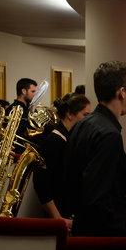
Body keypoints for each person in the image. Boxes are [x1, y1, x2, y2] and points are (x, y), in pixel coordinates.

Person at [64, 61, 126, 237]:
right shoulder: (109, 135)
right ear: (121, 92)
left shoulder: (82, 125)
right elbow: (97, 200)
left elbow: (86, 178)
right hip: (101, 239)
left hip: (82, 228)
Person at [33, 93, 91, 230]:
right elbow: (40, 182)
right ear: (70, 114)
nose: (88, 121)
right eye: (85, 115)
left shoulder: (68, 137)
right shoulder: (55, 141)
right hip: (61, 217)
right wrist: (58, 218)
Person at [6, 77, 37, 153]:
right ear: (23, 91)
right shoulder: (12, 109)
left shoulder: (30, 108)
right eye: (32, 91)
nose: (35, 94)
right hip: (19, 151)